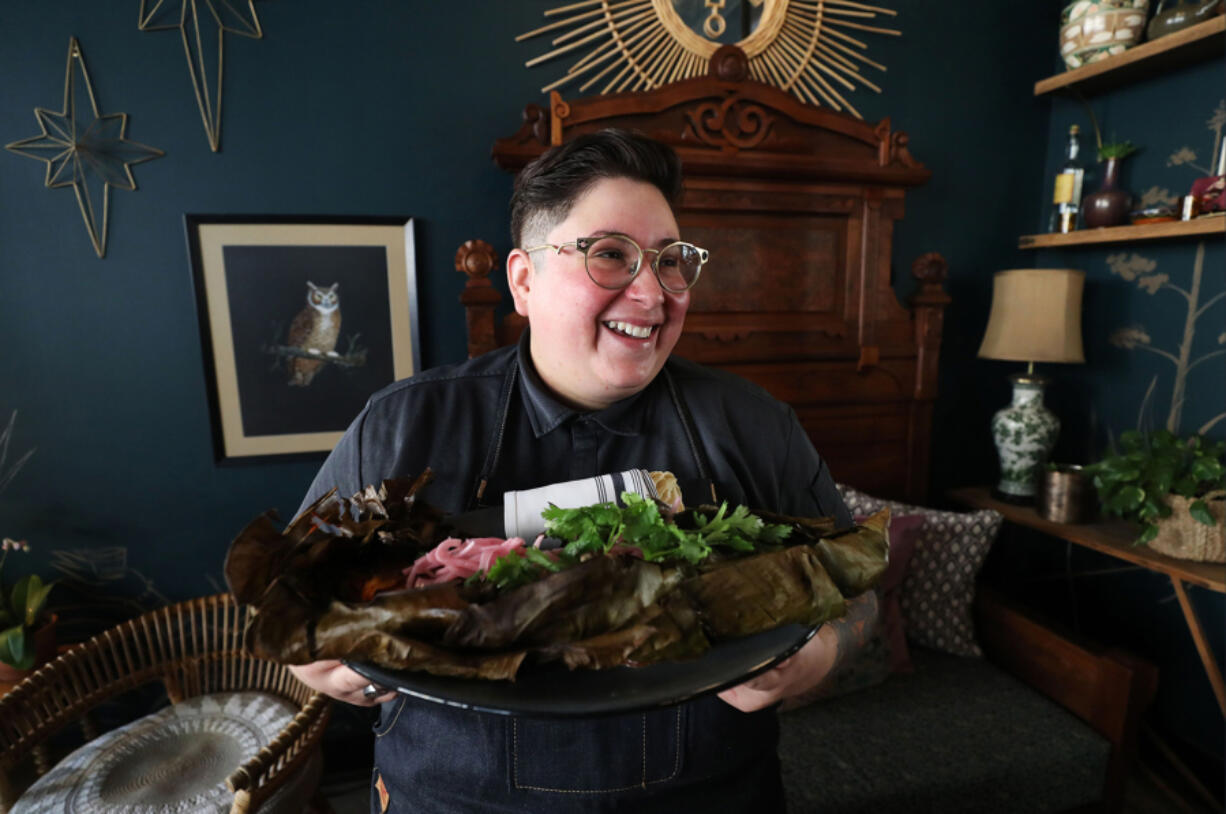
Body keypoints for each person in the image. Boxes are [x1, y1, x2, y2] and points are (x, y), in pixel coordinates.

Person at [289, 128, 876, 814]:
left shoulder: (754, 425)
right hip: (453, 798)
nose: (655, 295)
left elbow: (855, 586)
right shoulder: (401, 427)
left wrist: (820, 654)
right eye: (610, 255)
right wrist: (317, 660)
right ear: (524, 279)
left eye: (672, 261)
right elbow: (291, 606)